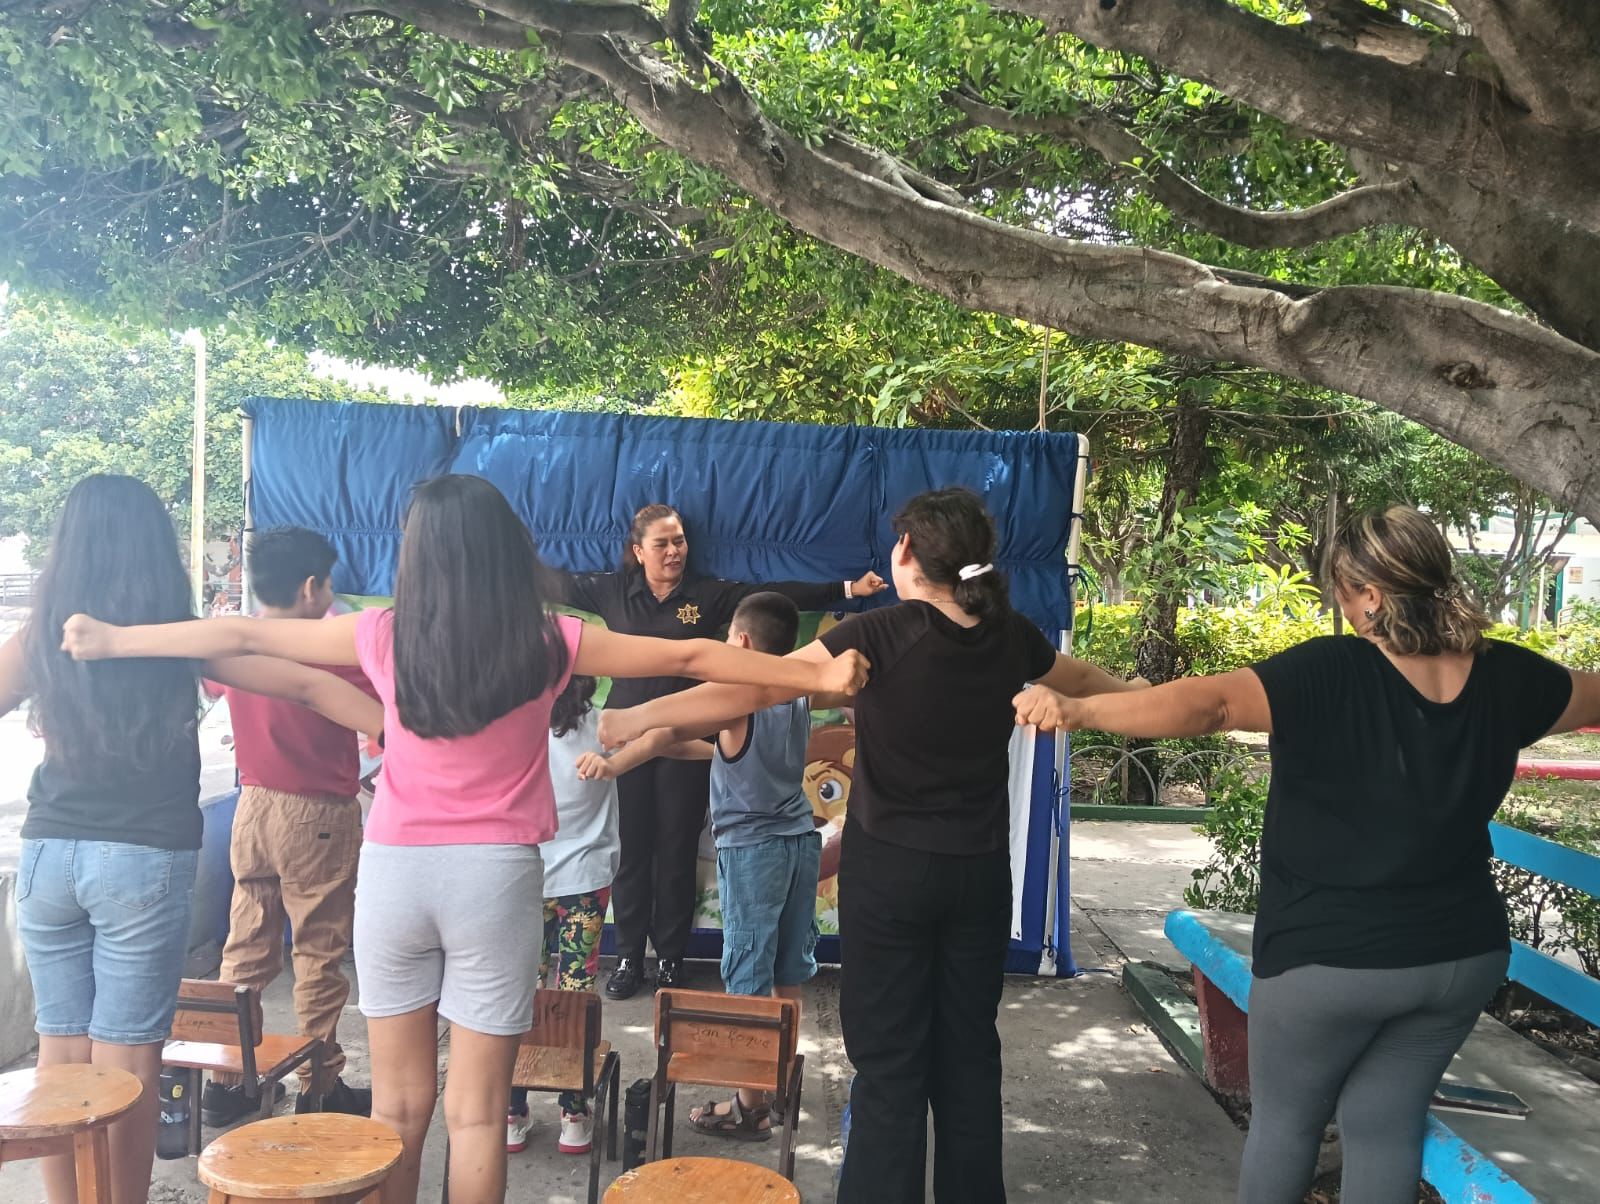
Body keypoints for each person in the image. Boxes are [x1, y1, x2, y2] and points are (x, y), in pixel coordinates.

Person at [62, 473, 869, 1204]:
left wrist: (115, 640)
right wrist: (816, 672)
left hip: (395, 877)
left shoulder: (381, 634)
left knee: (396, 1106)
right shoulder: (549, 639)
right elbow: (693, 654)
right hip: (495, 878)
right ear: (506, 548)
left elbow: (245, 637)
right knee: (478, 1115)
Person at [1013, 504, 1600, 1203]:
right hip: (1459, 958)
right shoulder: (1509, 675)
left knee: (1287, 1125)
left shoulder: (1333, 671)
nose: (1341, 606)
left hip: (1332, 958)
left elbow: (1213, 706)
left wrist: (1079, 709)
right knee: (1384, 1123)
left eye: (1344, 590)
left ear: (1372, 594)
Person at [600, 487, 1142, 1201]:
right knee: (970, 1056)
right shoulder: (1010, 634)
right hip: (979, 878)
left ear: (907, 550)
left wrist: (637, 717)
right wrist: (1139, 695)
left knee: (890, 1065)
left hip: (890, 880)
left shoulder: (881, 631)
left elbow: (752, 690)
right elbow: (1086, 681)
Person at [1, 475, 382, 1204]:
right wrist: (401, 730)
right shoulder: (174, 637)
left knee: (62, 1047)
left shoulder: (42, 635)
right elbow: (307, 686)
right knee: (129, 1051)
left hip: (49, 855)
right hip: (142, 858)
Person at [555, 502, 888, 1000]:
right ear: (638, 551)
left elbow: (775, 598)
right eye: (662, 544)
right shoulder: (611, 591)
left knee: (677, 849)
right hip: (632, 741)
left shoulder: (708, 597)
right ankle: (628, 957)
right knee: (633, 849)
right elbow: (555, 584)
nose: (674, 551)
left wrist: (845, 590)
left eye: (680, 541)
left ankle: (670, 957)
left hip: (689, 732)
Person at [604, 591, 849, 1142]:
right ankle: (780, 1087)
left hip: (754, 852)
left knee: (747, 978)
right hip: (798, 844)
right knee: (787, 973)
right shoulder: (796, 692)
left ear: (739, 641)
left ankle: (748, 1106)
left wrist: (615, 755)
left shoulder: (737, 695)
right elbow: (711, 749)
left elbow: (667, 731)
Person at [200, 527, 378, 1126]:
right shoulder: (329, 649)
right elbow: (384, 710)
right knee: (319, 952)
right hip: (318, 813)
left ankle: (228, 1082)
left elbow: (211, 685)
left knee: (245, 944)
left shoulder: (236, 643)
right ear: (309, 588)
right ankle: (319, 1086)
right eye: (327, 587)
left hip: (251, 807)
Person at [506, 673, 710, 1157]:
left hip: (522, 875)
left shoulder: (514, 727)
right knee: (575, 992)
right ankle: (574, 1113)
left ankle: (511, 1110)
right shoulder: (604, 726)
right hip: (584, 880)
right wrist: (724, 749)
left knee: (518, 991)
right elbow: (666, 742)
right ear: (585, 684)